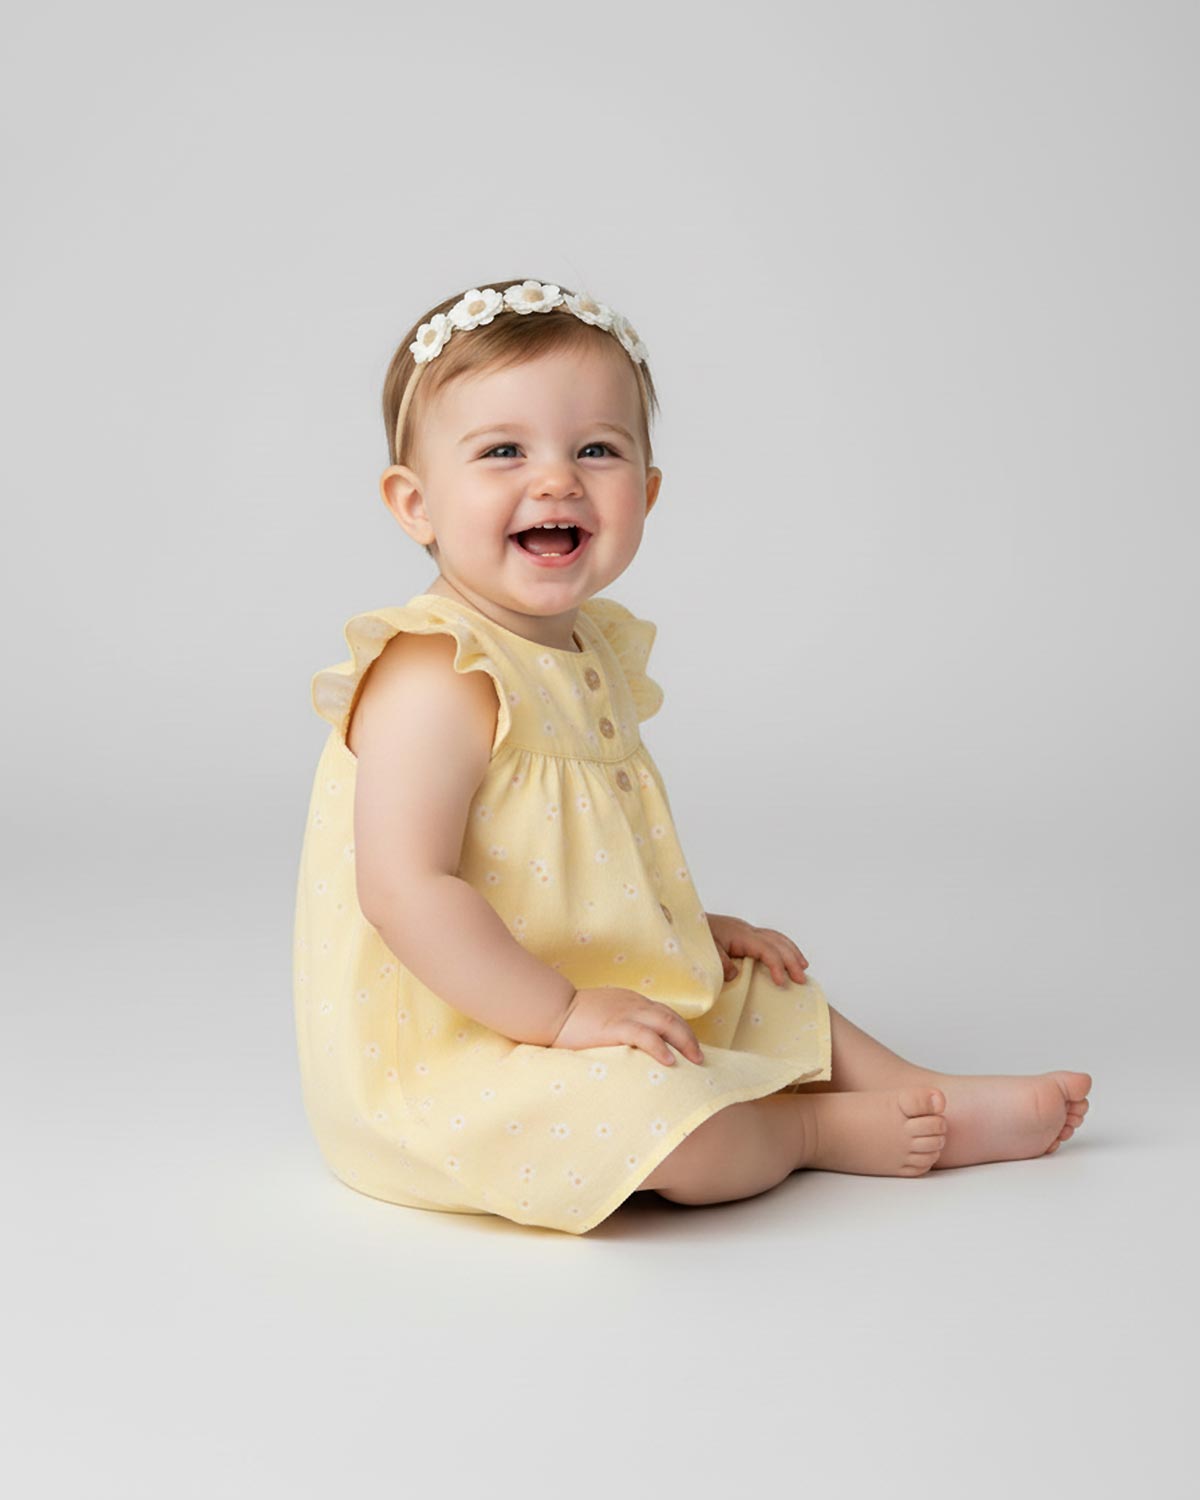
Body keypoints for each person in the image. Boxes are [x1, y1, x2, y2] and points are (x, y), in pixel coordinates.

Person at [293, 276, 1092, 1236]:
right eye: (503, 452)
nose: (555, 480)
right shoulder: (435, 672)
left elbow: (549, 864)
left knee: (756, 991)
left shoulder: (583, 653)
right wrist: (559, 1017)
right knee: (662, 1126)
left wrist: (684, 929)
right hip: (459, 1046)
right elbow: (407, 890)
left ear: (648, 491)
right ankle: (806, 1134)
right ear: (414, 503)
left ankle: (925, 1093)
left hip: (563, 991)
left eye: (597, 450)